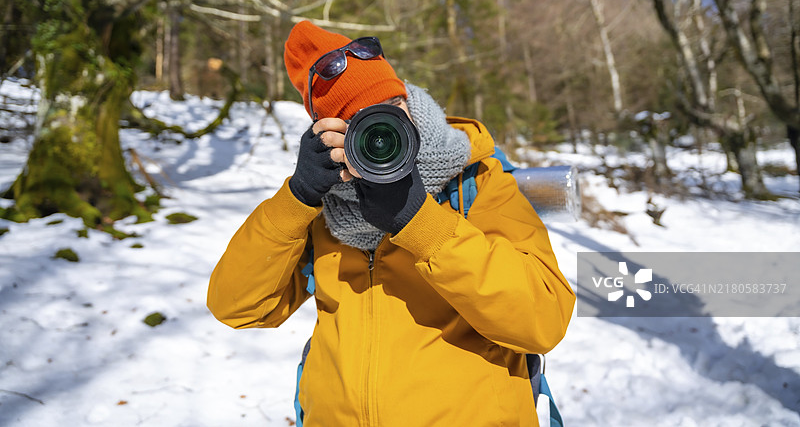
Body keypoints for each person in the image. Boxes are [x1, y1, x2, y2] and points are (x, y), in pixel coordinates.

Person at [207, 21, 575, 427]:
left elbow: (544, 319)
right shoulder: (324, 209)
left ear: (408, 104)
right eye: (355, 127)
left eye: (388, 113)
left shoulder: (475, 180)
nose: (379, 137)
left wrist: (419, 221)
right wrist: (298, 197)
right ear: (328, 138)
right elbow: (236, 307)